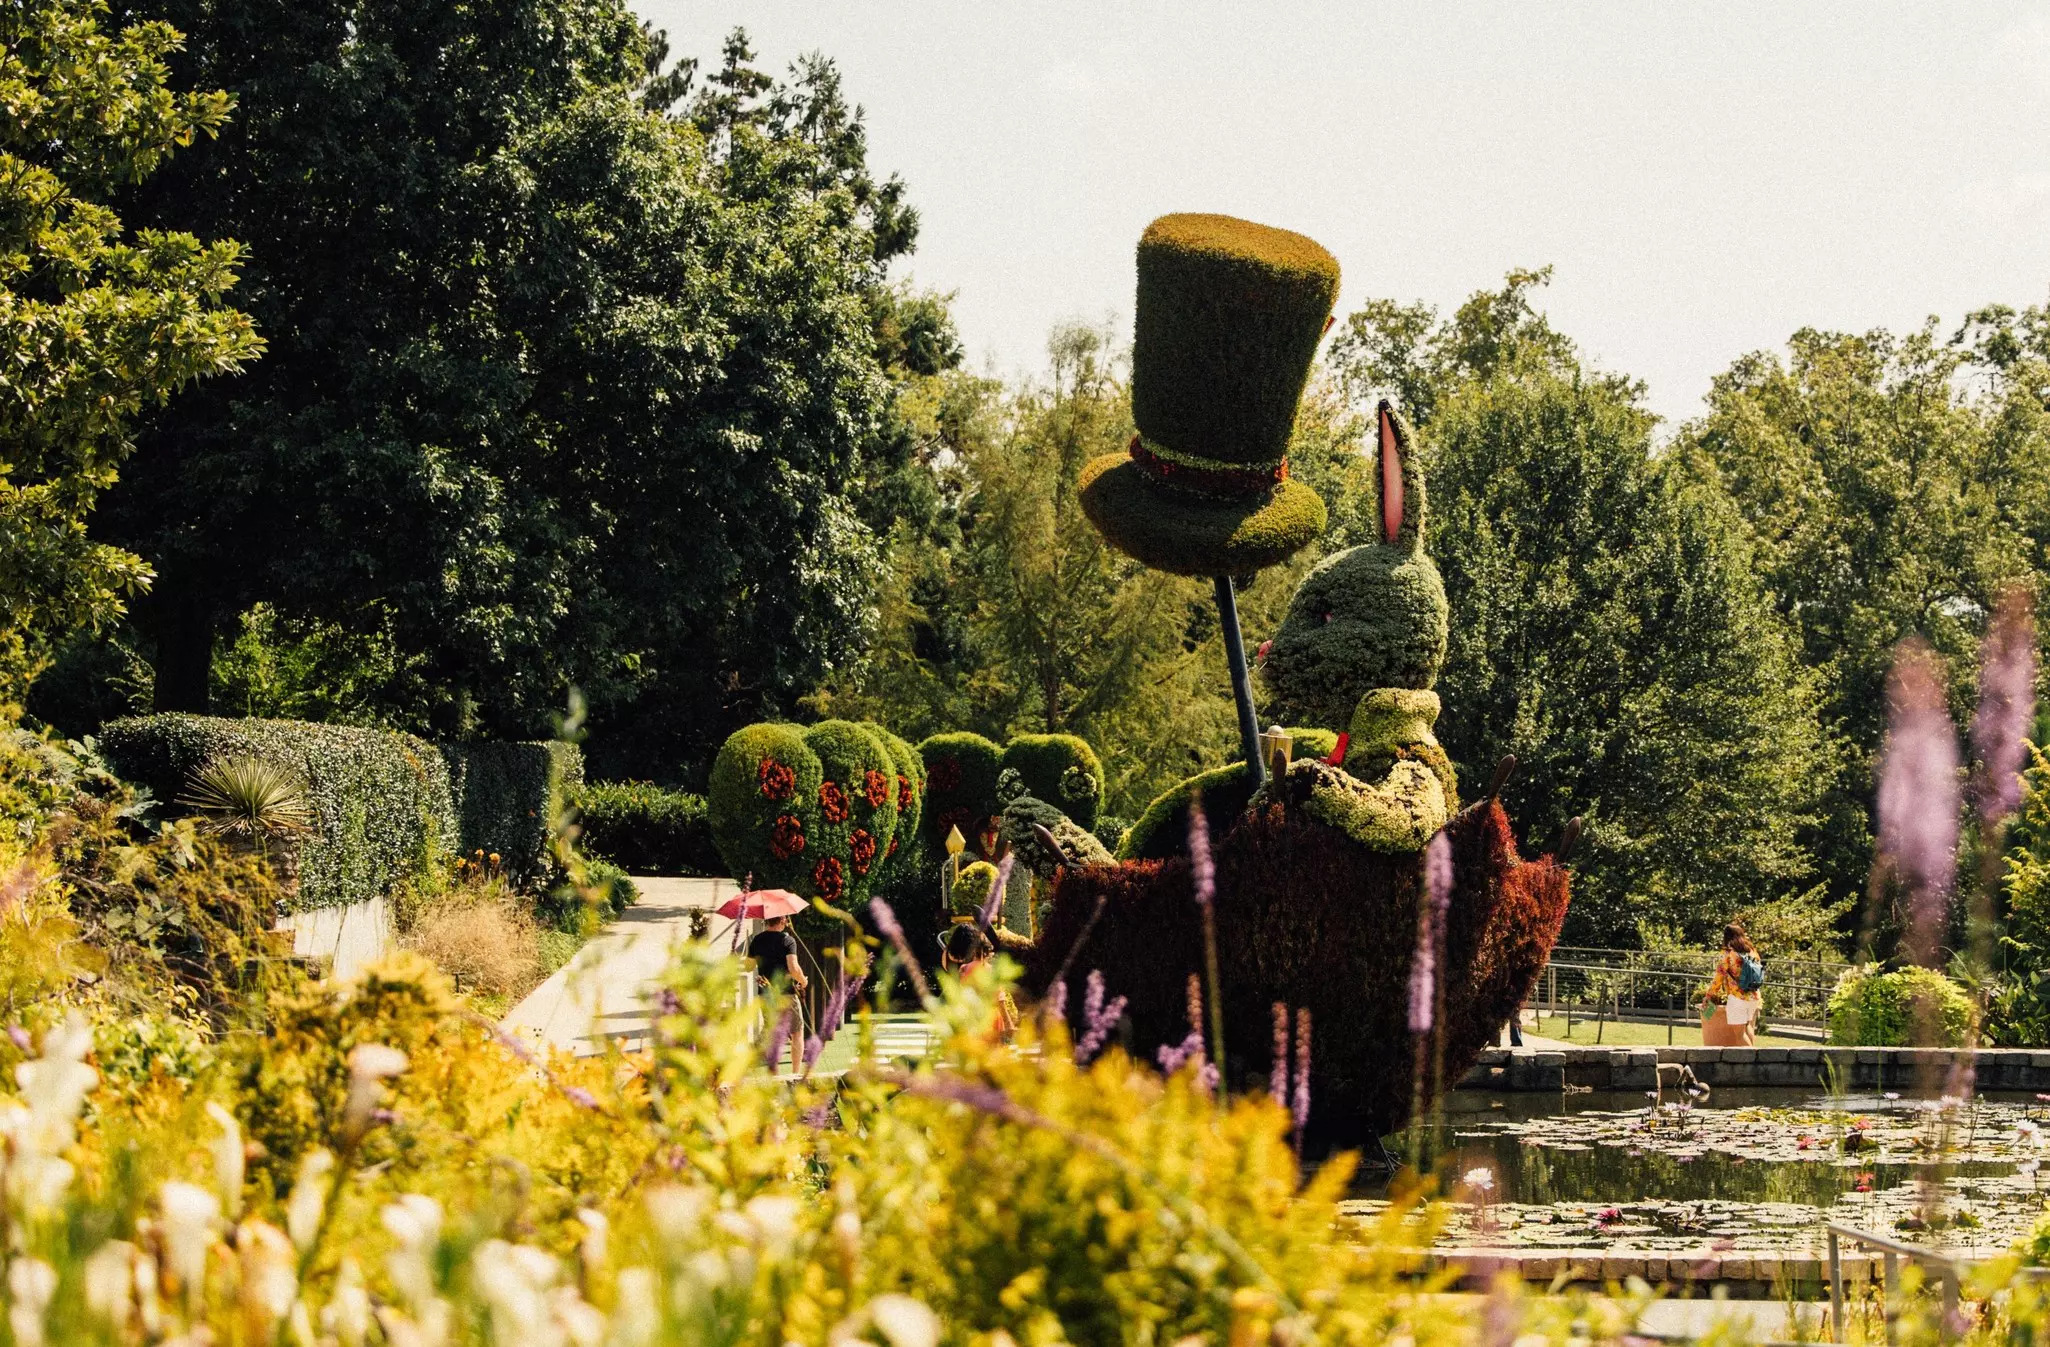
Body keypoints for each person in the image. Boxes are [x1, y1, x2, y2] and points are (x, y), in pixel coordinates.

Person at [747, 914, 807, 1070]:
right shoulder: (787, 940)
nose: (787, 922)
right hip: (786, 994)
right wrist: (803, 980)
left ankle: (775, 1075)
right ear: (781, 921)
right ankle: (795, 1074)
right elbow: (794, 969)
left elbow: (748, 967)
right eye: (786, 919)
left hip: (766, 995)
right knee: (797, 1032)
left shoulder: (757, 940)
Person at [1700, 923, 1763, 1047]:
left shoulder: (1729, 954)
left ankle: (1752, 1063)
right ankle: (1754, 1059)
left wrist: (1708, 996)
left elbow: (1718, 978)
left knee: (1739, 1034)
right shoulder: (1751, 951)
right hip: (1754, 995)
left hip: (1737, 997)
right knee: (1748, 1027)